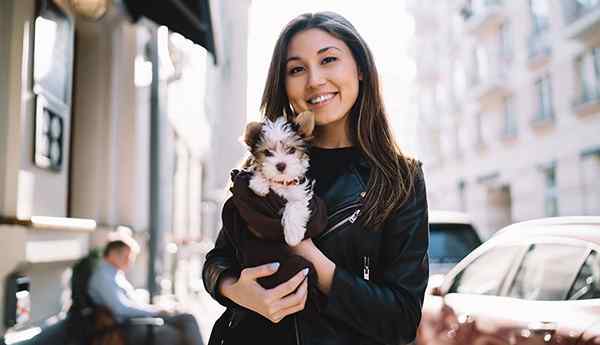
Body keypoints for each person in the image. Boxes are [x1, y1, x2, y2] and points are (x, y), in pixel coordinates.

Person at [202, 11, 429, 345]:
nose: (314, 80)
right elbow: (218, 260)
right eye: (297, 69)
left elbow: (402, 318)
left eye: (329, 60)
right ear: (284, 83)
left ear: (361, 69)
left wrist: (310, 258)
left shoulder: (400, 178)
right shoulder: (261, 163)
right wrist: (235, 289)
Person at [89, 239, 204, 345]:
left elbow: (129, 302)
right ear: (113, 254)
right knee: (180, 334)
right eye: (127, 257)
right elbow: (121, 309)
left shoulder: (113, 273)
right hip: (125, 327)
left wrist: (157, 307)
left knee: (187, 318)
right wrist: (156, 311)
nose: (130, 262)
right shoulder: (104, 276)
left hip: (135, 321)